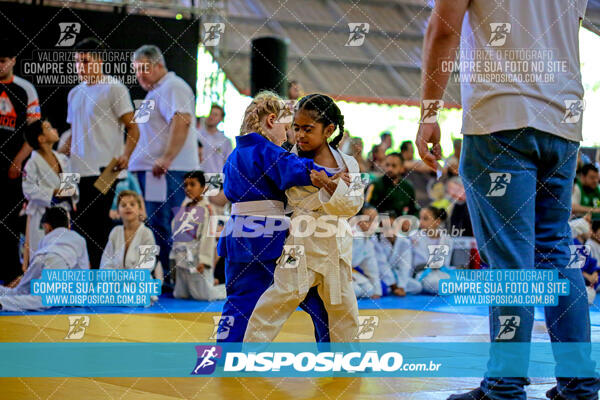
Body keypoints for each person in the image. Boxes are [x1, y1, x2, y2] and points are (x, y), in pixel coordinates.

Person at [416, 1, 599, 398]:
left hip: (500, 117)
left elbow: (444, 27)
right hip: (563, 122)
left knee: (511, 262)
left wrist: (429, 113)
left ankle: (504, 385)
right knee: (554, 251)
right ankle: (580, 384)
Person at [244, 93, 362, 343]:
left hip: (335, 247)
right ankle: (250, 354)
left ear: (328, 129)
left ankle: (347, 362)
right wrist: (328, 182)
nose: (300, 135)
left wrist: (327, 185)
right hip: (300, 242)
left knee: (344, 309)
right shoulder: (287, 158)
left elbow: (354, 204)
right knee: (277, 299)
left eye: (308, 129)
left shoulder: (349, 163)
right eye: (296, 128)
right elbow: (295, 197)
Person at [216, 91, 331, 343]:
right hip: (265, 237)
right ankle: (330, 349)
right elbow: (295, 168)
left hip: (237, 234)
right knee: (309, 295)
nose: (289, 135)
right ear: (271, 120)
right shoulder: (267, 151)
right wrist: (329, 173)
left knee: (238, 300)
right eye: (287, 127)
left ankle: (225, 351)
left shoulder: (233, 156)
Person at [66, 37, 140, 267]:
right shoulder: (74, 93)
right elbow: (73, 131)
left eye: (85, 61)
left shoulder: (114, 88)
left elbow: (133, 127)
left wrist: (126, 155)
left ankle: (99, 277)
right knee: (78, 225)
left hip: (105, 169)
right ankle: (83, 276)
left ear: (99, 61)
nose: (81, 67)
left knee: (98, 225)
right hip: (76, 169)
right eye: (78, 62)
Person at [129, 45, 199, 282]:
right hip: (154, 172)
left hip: (168, 170)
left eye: (144, 69)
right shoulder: (155, 91)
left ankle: (175, 278)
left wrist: (167, 157)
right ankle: (168, 277)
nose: (140, 75)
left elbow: (183, 120)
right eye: (136, 70)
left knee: (167, 223)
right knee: (158, 223)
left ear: (159, 65)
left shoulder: (173, 86)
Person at [0, 38, 41, 284]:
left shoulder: (25, 89)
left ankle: (11, 273)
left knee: (8, 221)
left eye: (3, 61)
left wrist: (18, 161)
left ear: (13, 61)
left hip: (12, 168)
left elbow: (34, 131)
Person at [0, 207, 89, 312]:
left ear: (47, 227)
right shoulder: (79, 239)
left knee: (19, 291)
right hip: (58, 259)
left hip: (40, 257)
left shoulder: (44, 239)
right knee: (42, 299)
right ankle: (2, 303)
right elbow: (83, 271)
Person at [22, 120, 76, 262]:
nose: (55, 129)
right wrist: (53, 192)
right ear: (41, 138)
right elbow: (28, 189)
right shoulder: (32, 163)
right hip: (42, 214)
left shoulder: (63, 159)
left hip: (63, 213)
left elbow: (72, 187)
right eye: (49, 128)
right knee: (41, 255)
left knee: (63, 255)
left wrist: (69, 192)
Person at [171, 171, 225, 301]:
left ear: (203, 188)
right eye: (186, 185)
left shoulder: (207, 209)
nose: (188, 188)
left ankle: (226, 288)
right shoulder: (185, 206)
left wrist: (204, 261)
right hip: (182, 257)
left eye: (192, 184)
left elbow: (208, 238)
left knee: (204, 296)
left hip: (197, 259)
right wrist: (174, 256)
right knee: (180, 294)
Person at [100, 191, 162, 277]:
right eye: (123, 205)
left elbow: (147, 265)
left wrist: (127, 277)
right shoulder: (115, 232)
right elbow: (106, 262)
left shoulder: (146, 233)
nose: (128, 207)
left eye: (132, 204)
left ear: (140, 209)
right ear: (118, 211)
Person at [366, 153, 419, 217]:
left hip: (400, 223)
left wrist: (409, 221)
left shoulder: (407, 187)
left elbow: (413, 210)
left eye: (394, 166)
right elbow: (367, 205)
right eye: (387, 165)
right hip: (379, 223)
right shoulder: (376, 184)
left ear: (402, 168)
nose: (390, 169)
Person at [197, 104, 232, 174]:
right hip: (197, 177)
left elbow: (228, 163)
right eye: (210, 113)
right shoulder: (197, 135)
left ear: (221, 119)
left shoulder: (225, 141)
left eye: (215, 115)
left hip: (216, 178)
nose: (211, 117)